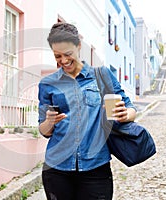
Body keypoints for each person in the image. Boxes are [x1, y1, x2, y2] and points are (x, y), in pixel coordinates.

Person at [38, 22, 137, 200]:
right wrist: (49, 122)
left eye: (68, 54)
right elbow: (44, 131)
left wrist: (125, 115)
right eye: (57, 56)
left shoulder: (102, 75)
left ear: (78, 46)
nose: (63, 61)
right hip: (57, 169)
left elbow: (130, 108)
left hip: (96, 168)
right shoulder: (47, 84)